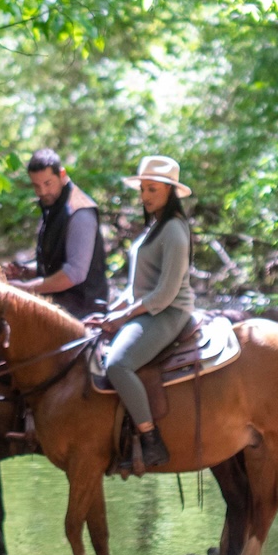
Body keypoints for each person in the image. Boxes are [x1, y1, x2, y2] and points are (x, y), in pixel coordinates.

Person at [90, 154, 195, 469]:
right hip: (148, 309)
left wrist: (124, 317)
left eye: (153, 189)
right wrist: (112, 312)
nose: (146, 196)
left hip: (169, 313)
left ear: (169, 191)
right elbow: (136, 289)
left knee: (118, 364)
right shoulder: (154, 229)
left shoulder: (175, 230)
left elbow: (165, 293)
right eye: (143, 190)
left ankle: (151, 440)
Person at [2, 149, 111, 318]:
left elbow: (73, 274)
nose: (43, 192)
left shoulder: (79, 211)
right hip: (58, 302)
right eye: (36, 186)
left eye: (48, 183)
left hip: (82, 308)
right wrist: (24, 271)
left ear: (62, 174)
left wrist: (24, 288)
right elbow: (55, 264)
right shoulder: (53, 206)